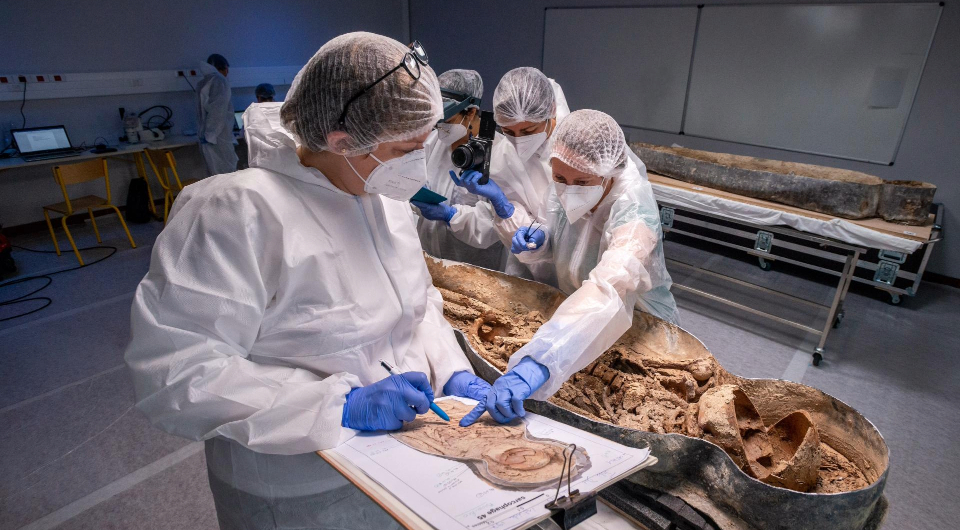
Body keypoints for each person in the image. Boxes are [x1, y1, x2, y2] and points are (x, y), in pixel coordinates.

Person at [125, 33, 493, 529]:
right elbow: (176, 372)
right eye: (408, 148)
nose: (418, 162)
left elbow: (419, 301)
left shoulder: (382, 193)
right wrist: (338, 406)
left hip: (408, 458)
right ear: (342, 142)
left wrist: (448, 368)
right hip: (296, 486)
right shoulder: (234, 212)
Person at [460, 109, 679, 427]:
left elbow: (611, 285)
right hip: (579, 327)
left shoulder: (634, 207)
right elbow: (566, 245)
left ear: (610, 173)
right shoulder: (564, 183)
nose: (568, 188)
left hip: (641, 332)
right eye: (560, 178)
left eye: (582, 181)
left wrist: (541, 361)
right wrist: (541, 240)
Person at [451, 66, 570, 278]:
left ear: (550, 112)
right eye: (508, 131)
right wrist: (504, 209)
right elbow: (517, 237)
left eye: (528, 131)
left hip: (582, 275)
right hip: (532, 275)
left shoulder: (577, 144)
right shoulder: (502, 158)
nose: (518, 140)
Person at [411, 69, 504, 270]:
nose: (439, 128)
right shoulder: (433, 142)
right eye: (436, 122)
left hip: (475, 267)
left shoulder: (500, 154)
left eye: (447, 121)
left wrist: (451, 215)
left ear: (470, 112)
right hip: (430, 258)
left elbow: (495, 227)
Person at [197, 53, 239, 176]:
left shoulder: (204, 82)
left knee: (214, 174)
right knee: (226, 174)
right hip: (218, 137)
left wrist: (207, 134)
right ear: (225, 68)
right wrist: (211, 134)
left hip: (207, 136)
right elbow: (218, 111)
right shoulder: (220, 82)